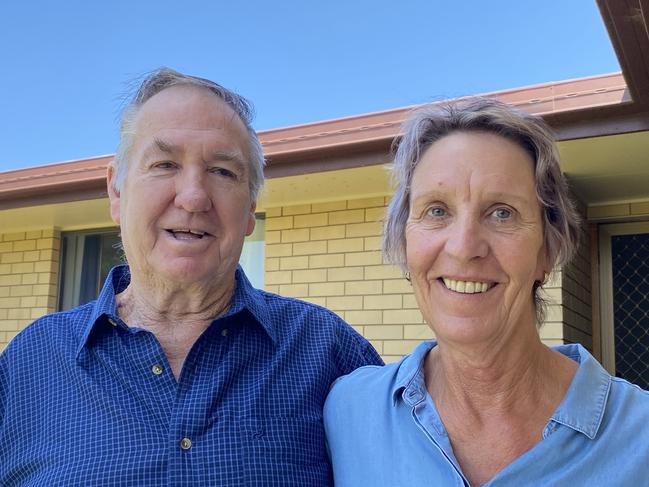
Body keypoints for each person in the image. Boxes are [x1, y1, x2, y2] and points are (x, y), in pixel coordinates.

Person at [0, 68, 382, 486]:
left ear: (250, 207)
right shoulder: (28, 364)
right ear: (116, 191)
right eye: (164, 164)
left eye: (222, 171)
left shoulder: (328, 354)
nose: (194, 196)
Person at [324, 98, 649, 486]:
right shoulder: (348, 411)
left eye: (502, 212)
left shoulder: (639, 437)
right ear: (406, 243)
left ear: (548, 249)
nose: (464, 246)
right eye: (437, 210)